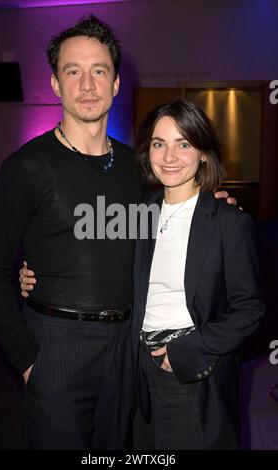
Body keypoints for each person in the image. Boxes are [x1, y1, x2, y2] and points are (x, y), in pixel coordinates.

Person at [0, 15, 236, 450]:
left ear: (115, 83)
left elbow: (165, 224)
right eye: (72, 72)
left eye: (99, 71)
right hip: (56, 345)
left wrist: (213, 206)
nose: (87, 84)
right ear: (56, 85)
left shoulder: (137, 167)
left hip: (126, 345)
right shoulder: (25, 167)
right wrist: (25, 359)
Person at [130, 98, 265, 450]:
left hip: (189, 370)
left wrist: (186, 352)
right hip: (135, 370)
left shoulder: (229, 222)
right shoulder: (136, 214)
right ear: (148, 152)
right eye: (159, 144)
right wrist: (34, 273)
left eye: (184, 143)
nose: (169, 157)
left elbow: (249, 309)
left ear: (203, 152)